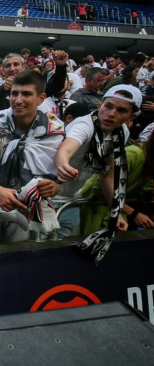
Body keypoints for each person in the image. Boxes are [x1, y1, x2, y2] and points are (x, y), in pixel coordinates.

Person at [0, 70, 65, 243]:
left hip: (27, 207)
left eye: (26, 94)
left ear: (41, 98)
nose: (18, 100)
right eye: (14, 93)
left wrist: (54, 187)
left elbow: (56, 178)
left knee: (20, 256)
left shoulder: (53, 129)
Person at [55, 85, 141, 262]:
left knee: (65, 256)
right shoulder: (84, 124)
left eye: (121, 110)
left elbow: (107, 175)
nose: (111, 113)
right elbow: (66, 149)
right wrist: (63, 164)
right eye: (108, 106)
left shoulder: (121, 132)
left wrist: (115, 212)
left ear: (131, 117)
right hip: (44, 196)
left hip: (70, 198)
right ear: (100, 105)